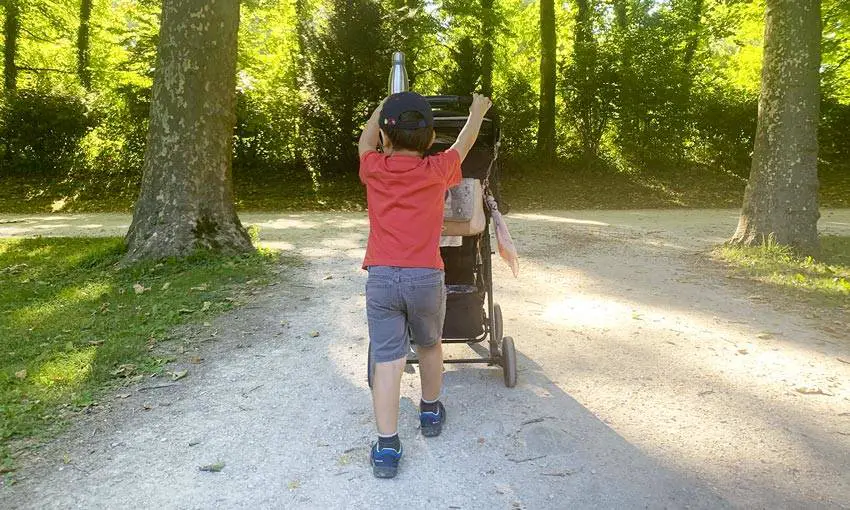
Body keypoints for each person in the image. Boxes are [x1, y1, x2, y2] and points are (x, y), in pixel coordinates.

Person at [358, 91, 492, 478]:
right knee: (430, 345)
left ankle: (386, 446)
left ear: (385, 137)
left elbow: (365, 142)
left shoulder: (374, 168)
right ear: (431, 139)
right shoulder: (437, 170)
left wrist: (379, 108)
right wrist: (476, 112)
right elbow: (464, 145)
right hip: (425, 277)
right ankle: (430, 410)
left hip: (382, 277)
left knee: (388, 360)